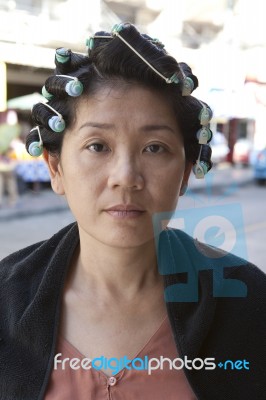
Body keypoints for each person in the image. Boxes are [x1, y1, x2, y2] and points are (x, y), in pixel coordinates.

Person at [0, 23, 265, 400]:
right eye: (97, 146)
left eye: (154, 148)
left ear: (186, 172)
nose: (126, 177)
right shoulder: (6, 300)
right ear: (55, 168)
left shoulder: (250, 306)